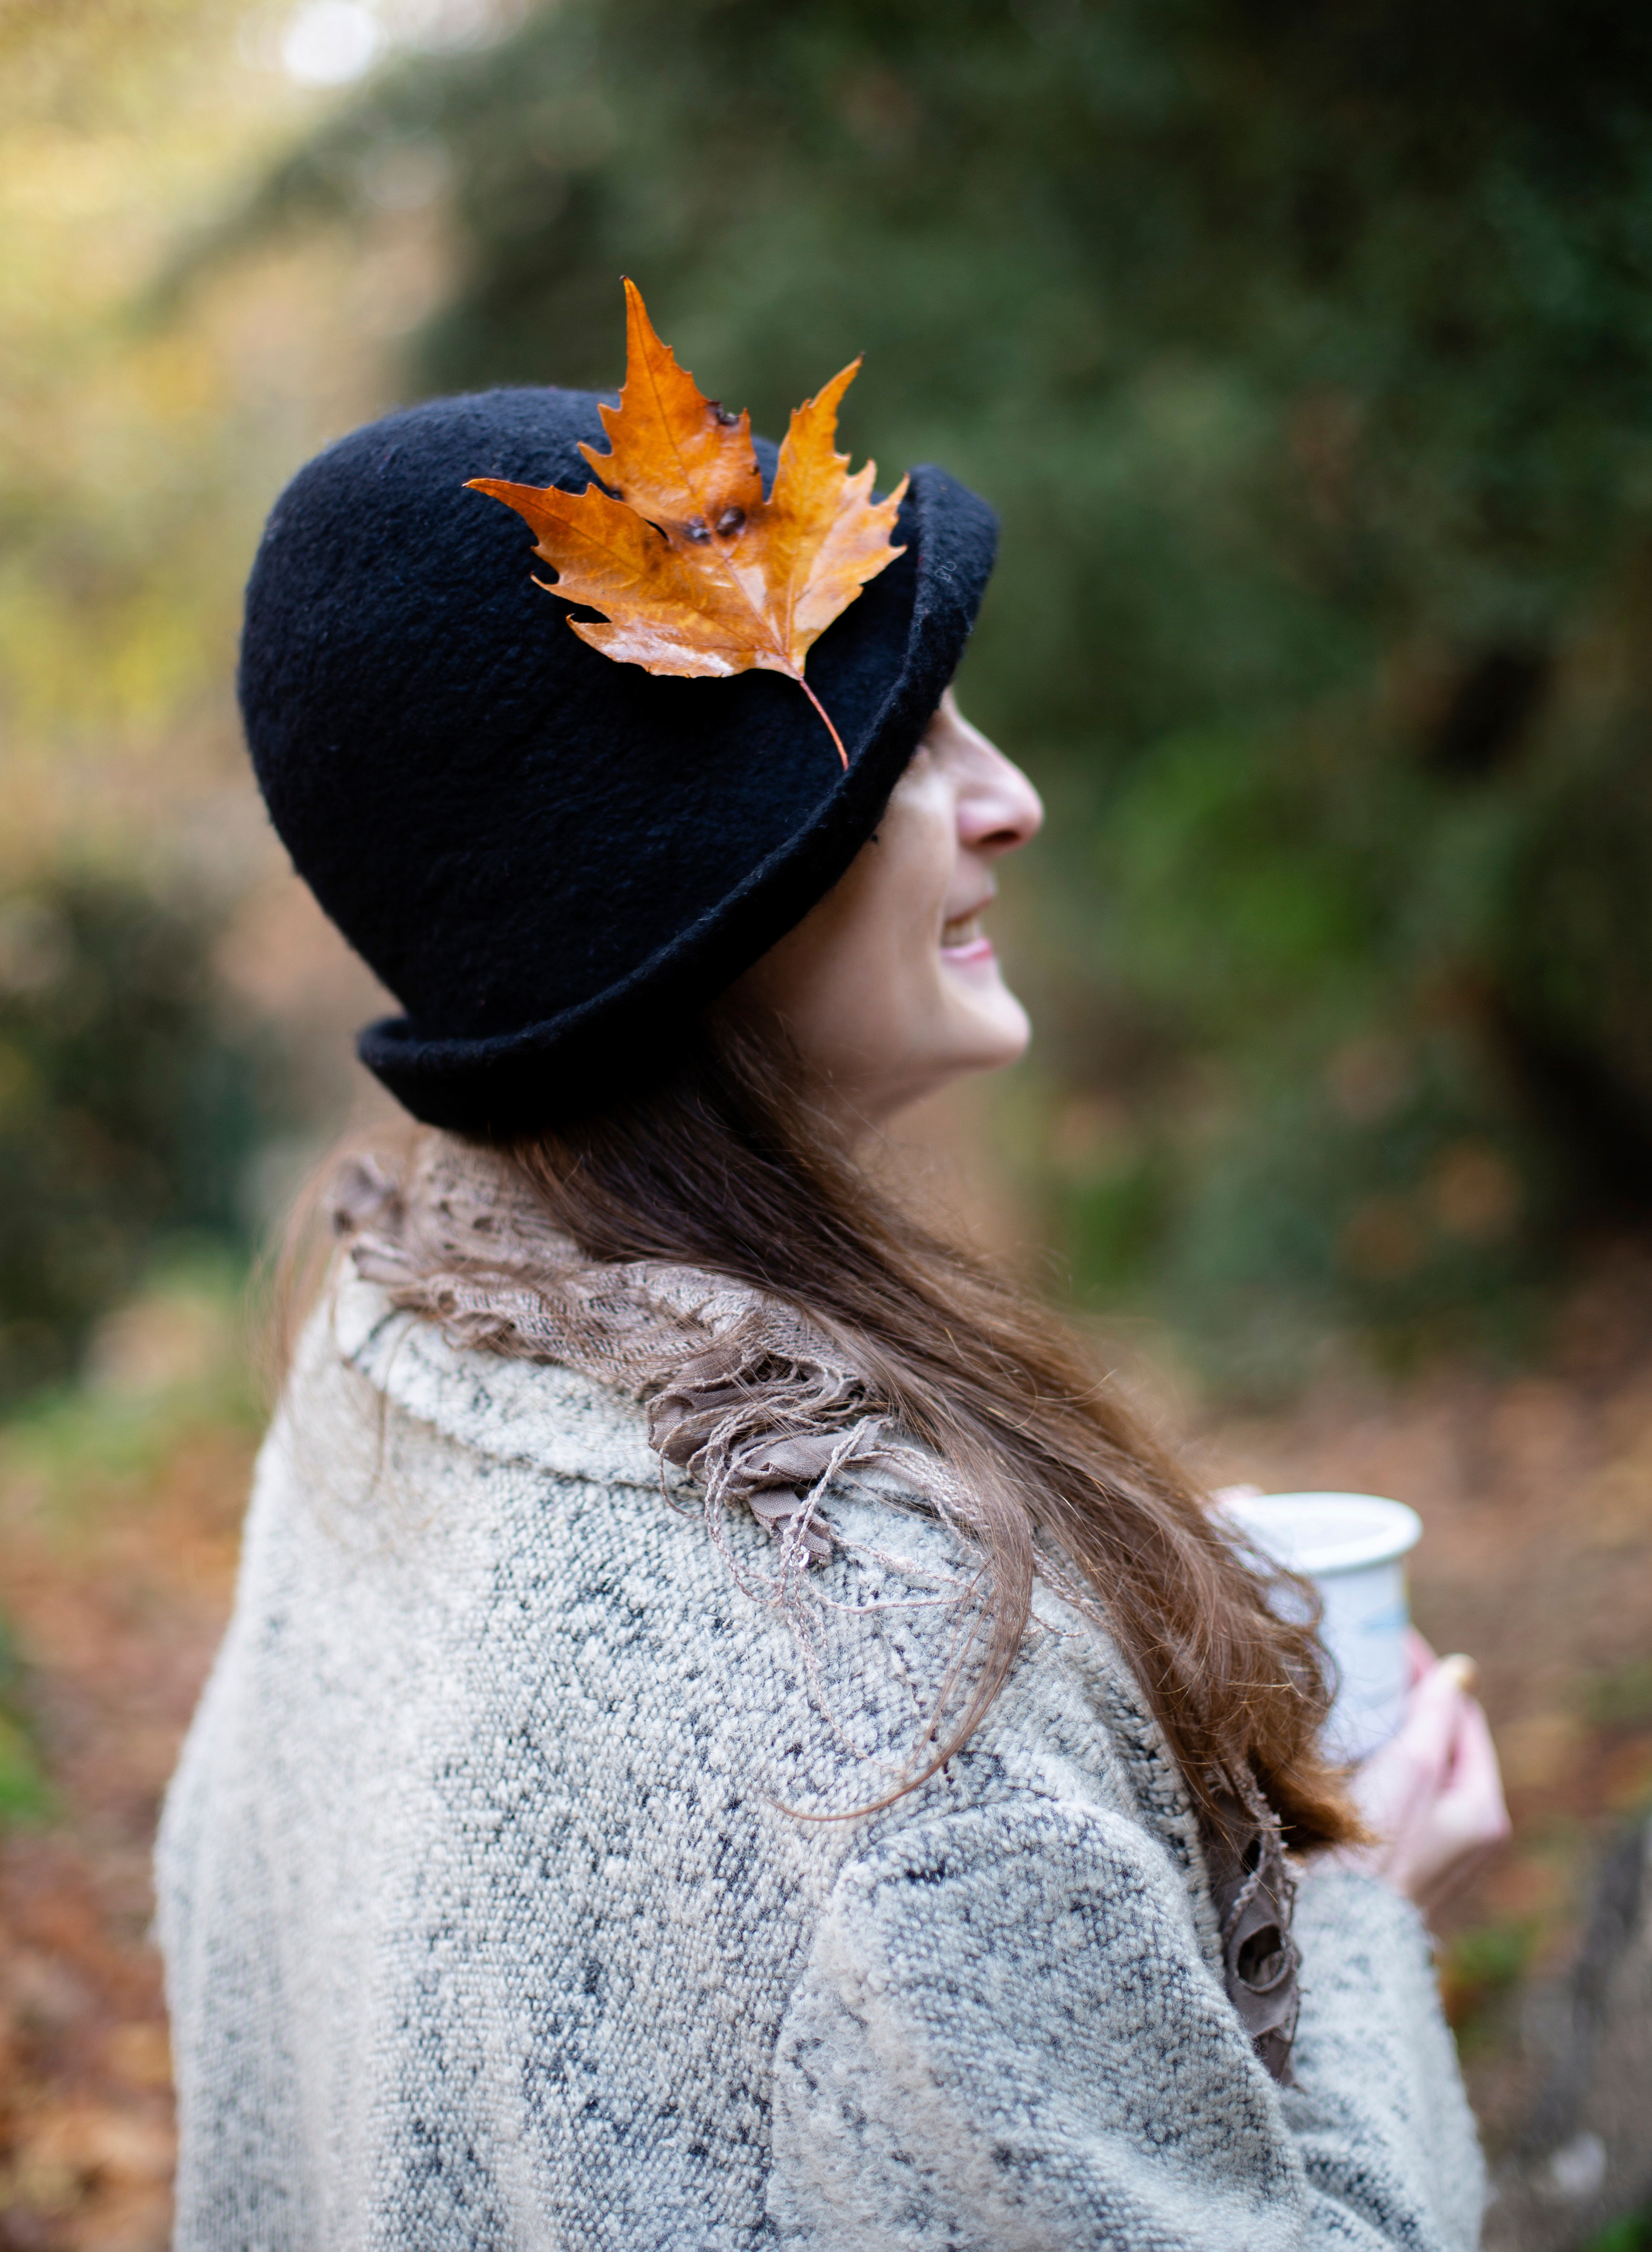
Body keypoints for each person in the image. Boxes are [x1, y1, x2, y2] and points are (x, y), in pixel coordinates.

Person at [158, 351, 1509, 2252]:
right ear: (674, 895)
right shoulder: (885, 1682)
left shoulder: (397, 1352)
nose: (1008, 798)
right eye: (897, 750)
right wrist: (1375, 1930)